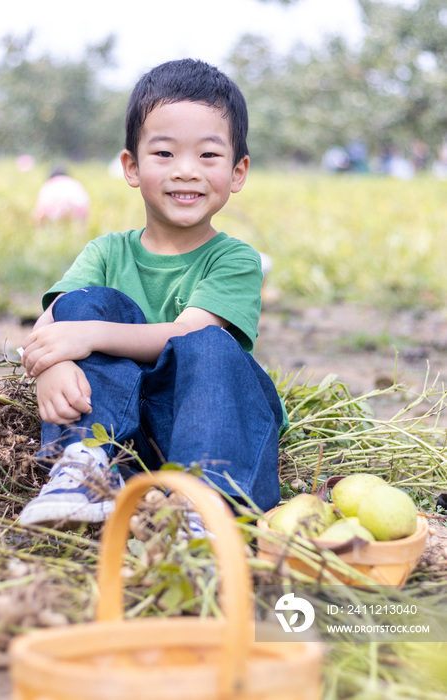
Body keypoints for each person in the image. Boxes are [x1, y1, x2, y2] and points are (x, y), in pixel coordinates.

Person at [19, 58, 286, 528]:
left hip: (209, 420)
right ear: (132, 166)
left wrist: (88, 336)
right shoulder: (105, 251)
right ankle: (85, 469)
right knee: (79, 306)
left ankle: (204, 504)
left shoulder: (235, 259)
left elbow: (188, 333)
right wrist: (53, 365)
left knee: (207, 344)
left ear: (238, 171)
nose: (186, 171)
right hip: (120, 426)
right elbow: (49, 327)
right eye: (164, 154)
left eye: (208, 155)